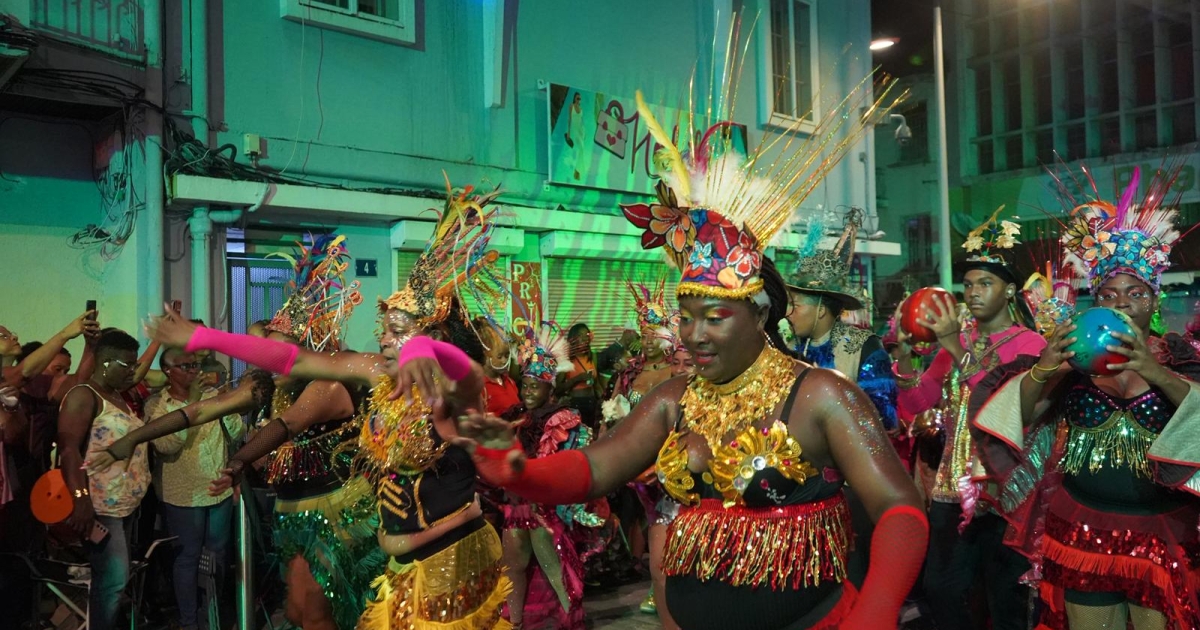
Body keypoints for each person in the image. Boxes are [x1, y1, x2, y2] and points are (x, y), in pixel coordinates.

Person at [454, 78, 926, 629]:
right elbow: (595, 467)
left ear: (759, 314)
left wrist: (875, 611)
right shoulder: (675, 399)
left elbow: (900, 510)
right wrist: (517, 470)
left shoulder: (820, 396)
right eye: (687, 316)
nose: (693, 334)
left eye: (715, 317)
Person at [147, 182, 515, 630]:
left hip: (452, 558)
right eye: (384, 326)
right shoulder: (378, 371)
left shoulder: (453, 390)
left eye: (398, 329)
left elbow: (467, 373)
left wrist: (429, 353)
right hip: (403, 566)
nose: (383, 337)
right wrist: (203, 337)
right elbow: (294, 358)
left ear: (433, 335)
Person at [96, 234, 379, 630]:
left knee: (319, 614)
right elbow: (199, 411)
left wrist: (238, 461)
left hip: (335, 511)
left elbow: (287, 425)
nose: (267, 360)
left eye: (277, 353)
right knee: (299, 612)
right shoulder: (268, 384)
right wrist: (132, 438)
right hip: (294, 509)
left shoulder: (326, 386)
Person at [971, 165, 1200, 630]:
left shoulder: (1178, 359)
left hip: (1160, 533)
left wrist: (1153, 371)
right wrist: (1044, 367)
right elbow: (1022, 413)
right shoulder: (1073, 363)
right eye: (1109, 294)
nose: (1122, 303)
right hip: (1083, 529)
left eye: (1135, 293)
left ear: (1153, 299)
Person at [892, 207, 1046, 630]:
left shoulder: (1029, 344)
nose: (973, 292)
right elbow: (916, 402)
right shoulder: (958, 342)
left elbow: (1001, 403)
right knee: (942, 588)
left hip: (1005, 489)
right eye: (968, 285)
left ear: (1010, 290)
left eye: (985, 283)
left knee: (1005, 598)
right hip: (952, 486)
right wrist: (905, 358)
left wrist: (955, 349)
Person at [142, 348, 245, 630]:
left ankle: (210, 615)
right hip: (183, 494)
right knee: (187, 558)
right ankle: (190, 622)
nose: (194, 370)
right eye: (186, 365)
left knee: (218, 556)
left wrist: (229, 404)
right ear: (167, 370)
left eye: (196, 365)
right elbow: (167, 446)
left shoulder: (214, 397)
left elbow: (237, 434)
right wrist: (192, 403)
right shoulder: (156, 406)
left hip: (218, 489)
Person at [58, 329, 151, 630]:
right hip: (99, 507)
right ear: (106, 362)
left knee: (115, 582)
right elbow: (69, 450)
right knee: (112, 580)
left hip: (124, 506)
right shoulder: (84, 395)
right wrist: (80, 498)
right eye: (128, 365)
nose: (134, 371)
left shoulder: (119, 398)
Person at [501, 322, 590, 629]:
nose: (528, 391)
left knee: (554, 567)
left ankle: (571, 620)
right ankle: (512, 623)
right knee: (513, 566)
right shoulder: (514, 416)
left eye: (535, 386)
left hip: (543, 509)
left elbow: (563, 467)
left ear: (550, 388)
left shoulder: (562, 419)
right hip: (514, 505)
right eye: (524, 385)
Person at [782, 210, 897, 431]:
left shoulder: (863, 347)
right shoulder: (788, 348)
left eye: (795, 306)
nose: (788, 314)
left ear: (821, 311)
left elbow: (884, 418)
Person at [558, 323, 602, 430]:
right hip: (575, 404)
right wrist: (578, 379)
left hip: (592, 403)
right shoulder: (566, 359)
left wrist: (604, 401)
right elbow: (558, 389)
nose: (584, 338)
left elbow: (597, 385)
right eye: (580, 336)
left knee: (590, 435)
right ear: (573, 339)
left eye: (586, 335)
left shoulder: (593, 356)